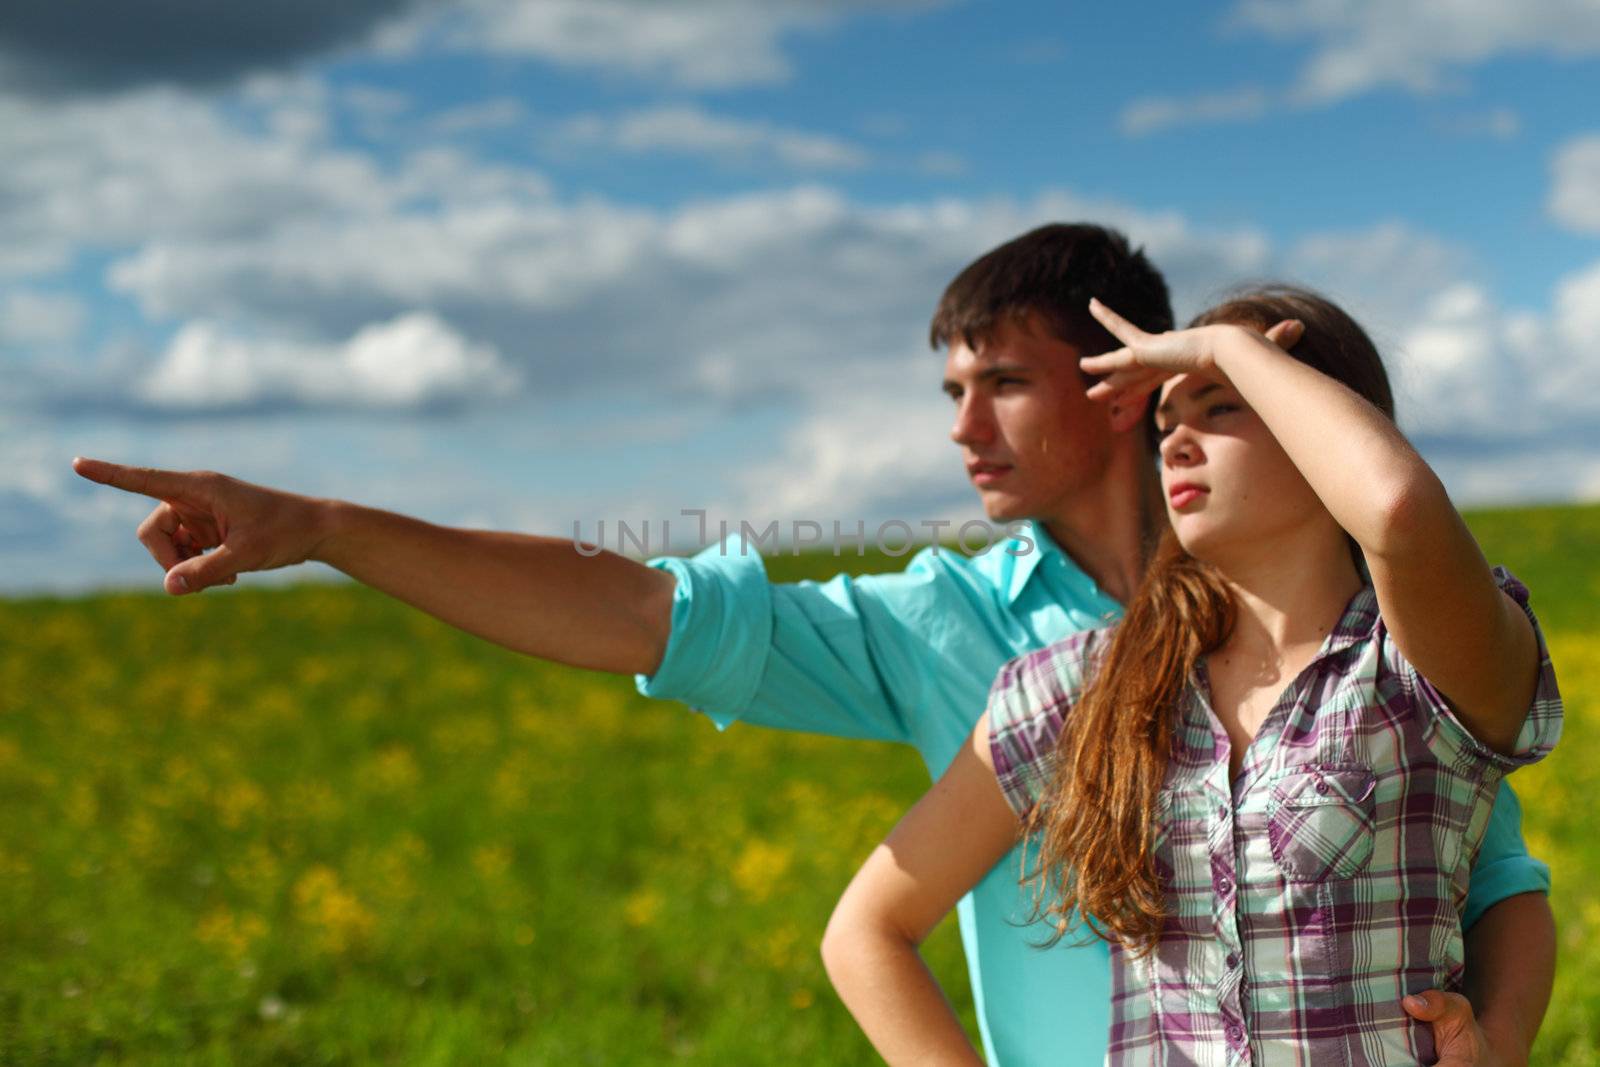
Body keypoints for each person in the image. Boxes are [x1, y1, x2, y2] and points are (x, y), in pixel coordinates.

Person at [70, 225, 1554, 1064]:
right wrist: (330, 523)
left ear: (1118, 383)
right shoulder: (978, 638)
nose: (962, 425)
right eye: (946, 389)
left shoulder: (1376, 655)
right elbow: (635, 610)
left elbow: (1494, 872)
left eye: (1002, 382)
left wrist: (1499, 1031)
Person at [822, 287, 1563, 1064]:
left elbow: (1398, 506)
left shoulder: (1415, 669)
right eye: (1166, 423)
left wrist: (1230, 349)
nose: (1174, 443)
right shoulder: (1092, 685)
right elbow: (867, 931)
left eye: (1222, 406)